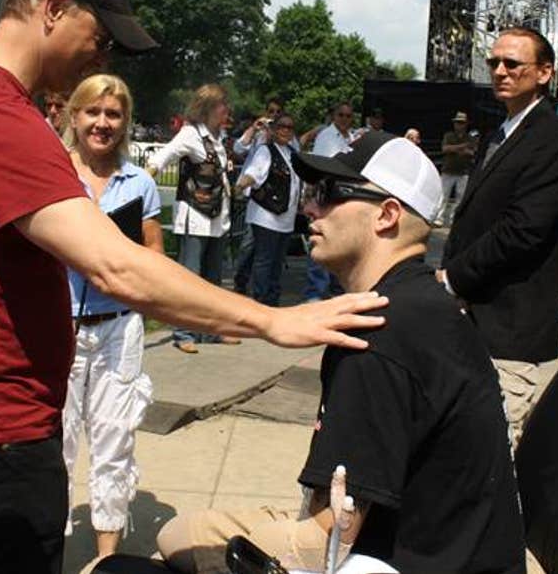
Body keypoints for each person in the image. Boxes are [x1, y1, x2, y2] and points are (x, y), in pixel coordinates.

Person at [0, 0, 387, 574]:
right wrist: (272, 320)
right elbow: (117, 265)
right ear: (53, 6)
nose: (100, 60)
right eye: (100, 40)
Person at [156, 131, 525, 574]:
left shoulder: (377, 333)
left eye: (329, 194)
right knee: (179, 533)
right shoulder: (416, 303)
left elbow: (320, 547)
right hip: (434, 543)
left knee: (171, 547)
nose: (310, 208)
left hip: (401, 559)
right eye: (312, 192)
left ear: (387, 215)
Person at [438, 27, 558, 445]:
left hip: (509, 329)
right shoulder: (499, 133)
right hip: (473, 320)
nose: (500, 71)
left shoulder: (553, 141)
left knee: (491, 456)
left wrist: (452, 278)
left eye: (512, 63)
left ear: (544, 73)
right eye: (494, 62)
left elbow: (523, 232)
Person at [56, 74, 159, 562]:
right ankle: (47, 547)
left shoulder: (139, 183)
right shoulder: (51, 171)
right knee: (57, 442)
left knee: (114, 443)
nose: (102, 123)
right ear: (74, 116)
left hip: (119, 325)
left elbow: (154, 256)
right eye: (93, 112)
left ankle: (105, 558)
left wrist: (123, 259)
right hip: (61, 327)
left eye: (113, 114)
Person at [147, 84, 237, 353]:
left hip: (218, 217)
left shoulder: (218, 137)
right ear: (209, 107)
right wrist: (139, 185)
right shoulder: (189, 134)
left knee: (212, 279)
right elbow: (160, 160)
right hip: (195, 215)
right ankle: (183, 332)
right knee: (189, 277)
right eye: (223, 105)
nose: (227, 110)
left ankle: (210, 331)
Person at [234, 114, 302, 306]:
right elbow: (253, 174)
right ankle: (262, 300)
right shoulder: (265, 151)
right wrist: (239, 186)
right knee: (264, 260)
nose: (286, 130)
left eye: (290, 127)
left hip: (285, 219)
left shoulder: (291, 152)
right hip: (266, 216)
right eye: (281, 126)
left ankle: (272, 299)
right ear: (273, 129)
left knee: (277, 261)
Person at [304, 102, 361, 300]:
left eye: (348, 116)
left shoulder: (352, 137)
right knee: (321, 243)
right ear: (334, 116)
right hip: (326, 197)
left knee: (341, 245)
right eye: (341, 115)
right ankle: (315, 296)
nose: (345, 119)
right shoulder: (326, 137)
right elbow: (320, 168)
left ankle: (336, 292)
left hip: (345, 198)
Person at [439, 110, 477, 226]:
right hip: (448, 170)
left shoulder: (470, 137)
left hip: (463, 171)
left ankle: (453, 220)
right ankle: (439, 218)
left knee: (460, 198)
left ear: (466, 124)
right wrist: (462, 147)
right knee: (443, 196)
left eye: (462, 123)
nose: (459, 125)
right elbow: (445, 149)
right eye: (458, 122)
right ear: (454, 123)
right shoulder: (448, 135)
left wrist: (454, 149)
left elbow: (472, 152)